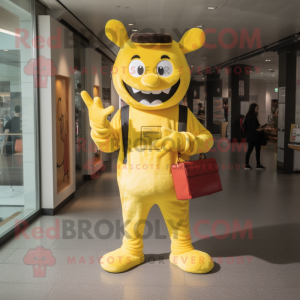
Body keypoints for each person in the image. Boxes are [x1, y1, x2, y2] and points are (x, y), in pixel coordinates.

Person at [244, 103, 265, 170]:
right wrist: (261, 128)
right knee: (257, 150)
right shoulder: (253, 116)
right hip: (255, 136)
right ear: (253, 108)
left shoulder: (248, 116)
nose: (257, 110)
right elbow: (255, 127)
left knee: (249, 150)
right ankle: (258, 164)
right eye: (256, 108)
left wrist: (259, 127)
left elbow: (249, 126)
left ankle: (246, 164)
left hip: (250, 136)